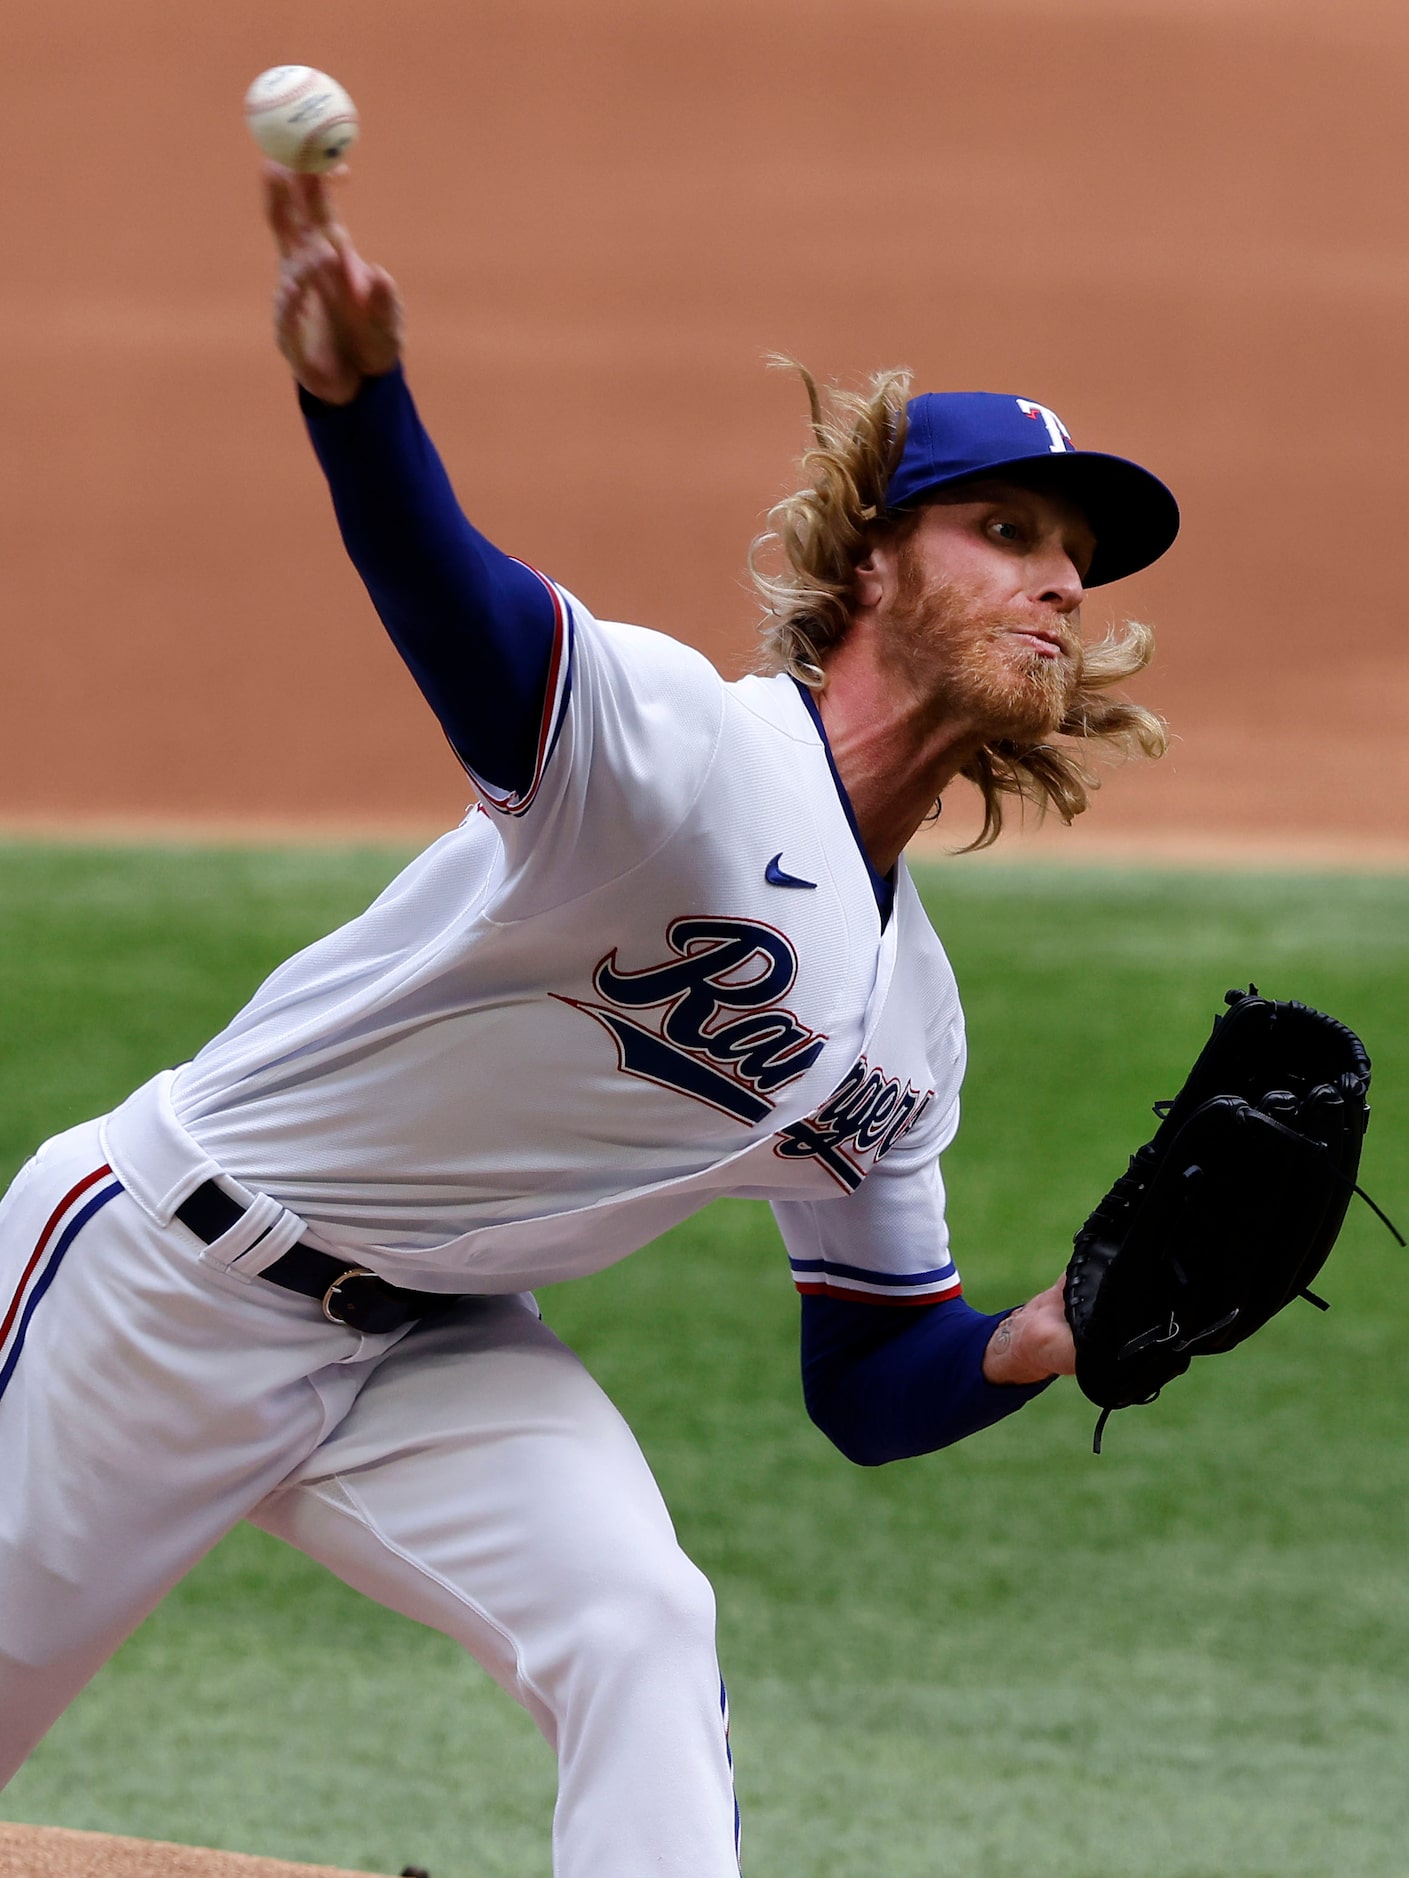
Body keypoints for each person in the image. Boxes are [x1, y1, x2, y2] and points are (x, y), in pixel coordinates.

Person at [0, 167, 1179, 1874]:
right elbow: (458, 609)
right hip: (162, 1280)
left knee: (639, 1621)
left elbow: (864, 1372)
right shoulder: (681, 753)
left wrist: (1046, 1331)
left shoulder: (908, 1027)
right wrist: (360, 405)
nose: (1058, 584)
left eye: (1074, 562)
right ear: (866, 566)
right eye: (1006, 533)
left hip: (436, 1348)